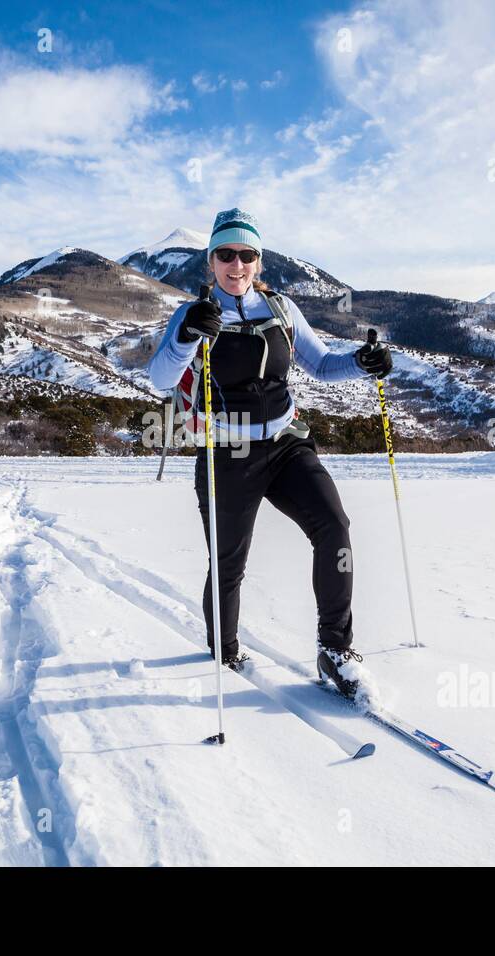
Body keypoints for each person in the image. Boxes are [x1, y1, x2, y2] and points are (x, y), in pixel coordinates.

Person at [147, 207, 392, 698]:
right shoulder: (192, 313)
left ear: (259, 261)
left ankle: (336, 649)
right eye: (226, 254)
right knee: (230, 563)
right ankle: (225, 647)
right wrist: (187, 334)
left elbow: (322, 365)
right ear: (210, 260)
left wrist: (365, 363)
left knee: (334, 527)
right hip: (228, 447)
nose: (236, 265)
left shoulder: (280, 309)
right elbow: (159, 380)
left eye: (247, 255)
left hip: (286, 441)